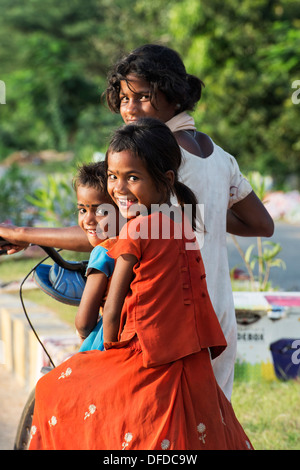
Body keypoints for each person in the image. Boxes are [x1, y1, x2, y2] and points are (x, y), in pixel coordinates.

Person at [0, 43, 274, 399]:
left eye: (143, 97)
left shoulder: (153, 157)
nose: (129, 109)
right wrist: (199, 215)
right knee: (206, 423)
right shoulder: (218, 156)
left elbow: (109, 235)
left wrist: (21, 233)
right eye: (124, 98)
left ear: (174, 96)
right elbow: (259, 224)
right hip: (216, 314)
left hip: (165, 317)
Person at [29, 119, 253, 450]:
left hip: (142, 356)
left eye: (132, 177)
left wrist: (100, 348)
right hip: (187, 355)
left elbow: (111, 315)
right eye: (113, 177)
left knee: (52, 391)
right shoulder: (179, 226)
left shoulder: (134, 231)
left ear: (165, 181)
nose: (118, 188)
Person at [72, 162, 120, 351]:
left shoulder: (103, 252)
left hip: (101, 348)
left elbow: (84, 322)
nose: (88, 220)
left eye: (100, 211)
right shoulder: (138, 243)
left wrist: (83, 334)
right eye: (82, 210)